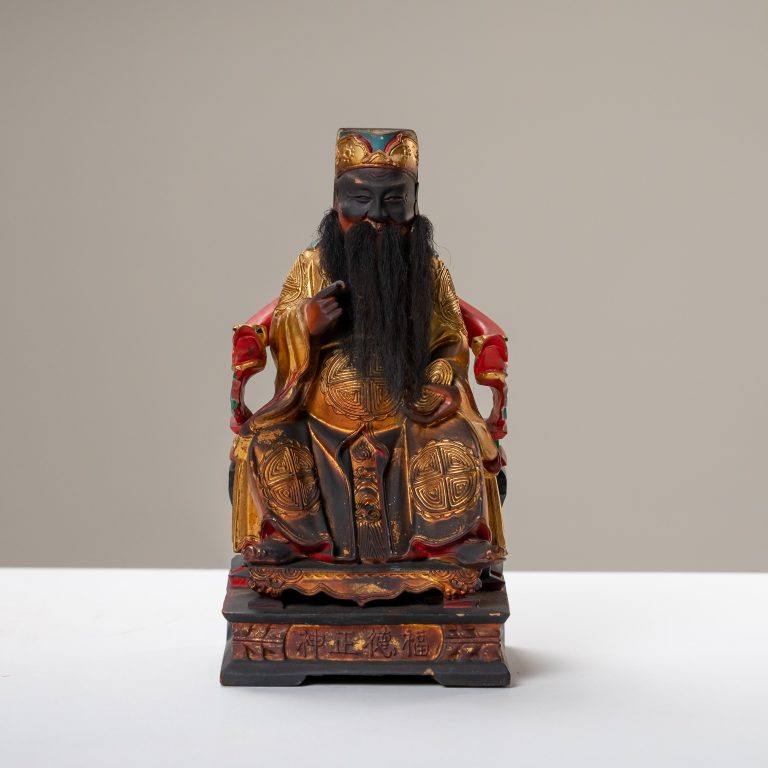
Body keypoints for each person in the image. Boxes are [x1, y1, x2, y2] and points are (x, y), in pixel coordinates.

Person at [230, 129, 505, 571]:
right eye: (359, 199)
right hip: (320, 410)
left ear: (414, 202)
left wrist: (441, 378)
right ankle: (293, 539)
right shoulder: (311, 265)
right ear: (336, 200)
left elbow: (450, 337)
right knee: (270, 440)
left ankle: (448, 542)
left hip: (407, 406)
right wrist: (304, 322)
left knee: (454, 438)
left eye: (393, 200)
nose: (375, 216)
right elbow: (280, 324)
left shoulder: (429, 269)